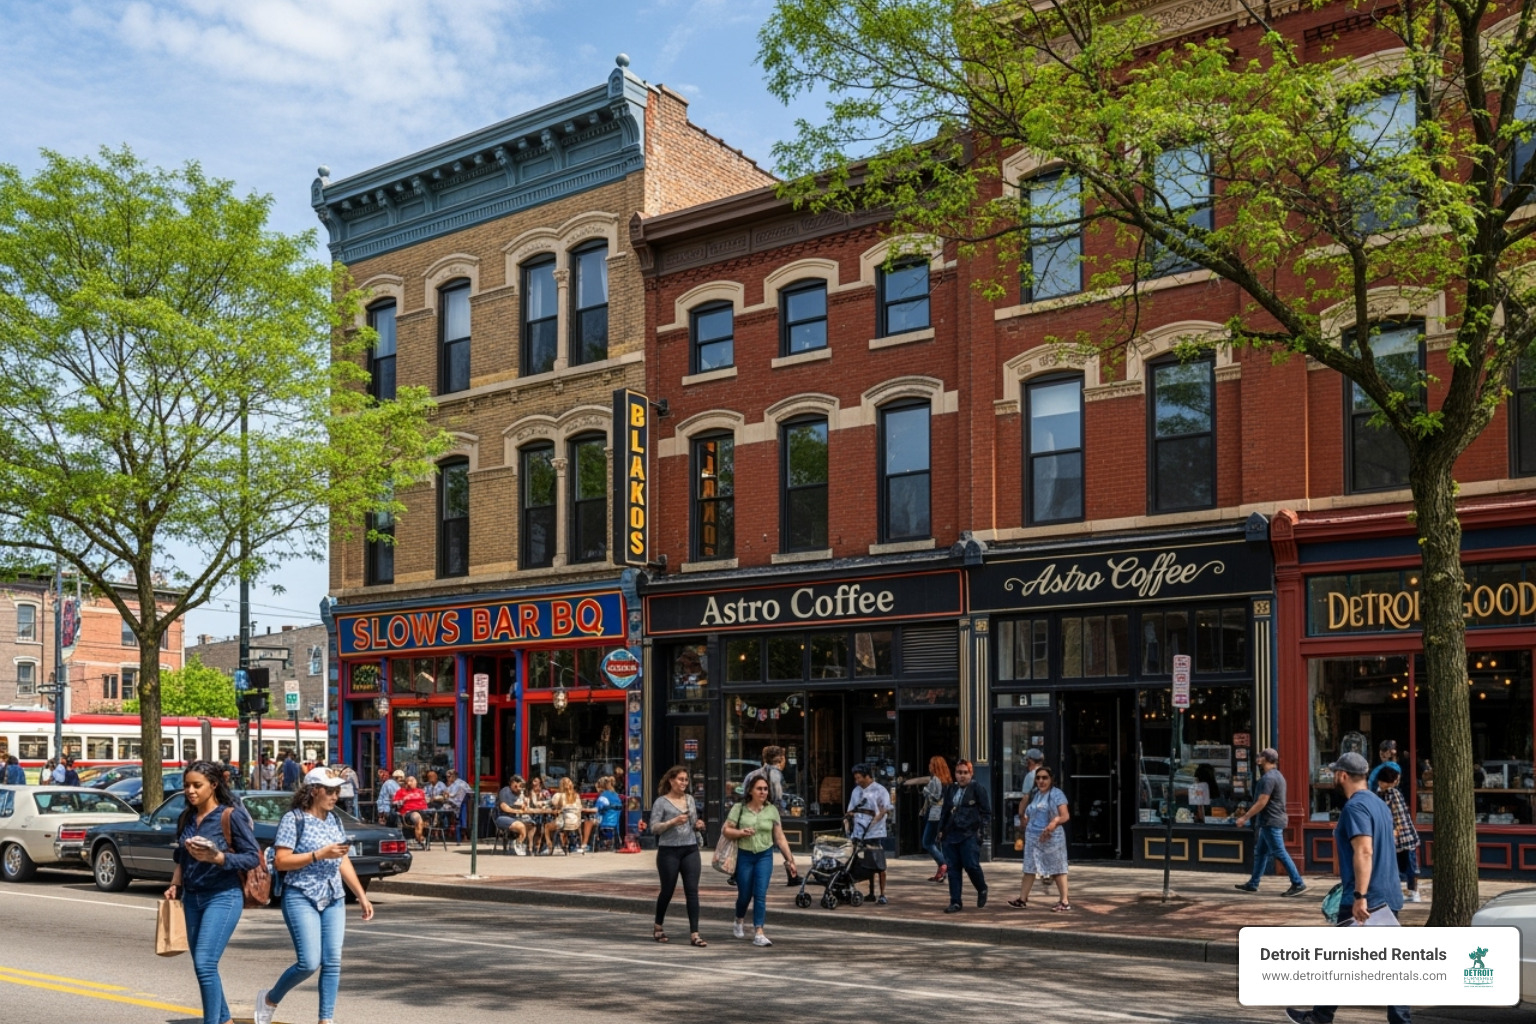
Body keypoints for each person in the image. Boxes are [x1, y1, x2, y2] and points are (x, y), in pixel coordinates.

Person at [1284, 751, 1410, 1024]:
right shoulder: (1379, 805)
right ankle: (1324, 1016)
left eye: (1334, 773)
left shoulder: (1355, 807)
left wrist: (1359, 896)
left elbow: (1364, 851)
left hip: (1368, 899)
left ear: (1342, 775)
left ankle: (1320, 1018)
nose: (1332, 777)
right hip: (1389, 895)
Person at [255, 767, 375, 1024]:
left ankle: (325, 1020)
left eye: (337, 790)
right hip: (301, 895)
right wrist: (319, 854)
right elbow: (282, 861)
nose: (335, 796)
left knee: (332, 962)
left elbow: (342, 859)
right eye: (329, 790)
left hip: (333, 896)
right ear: (313, 791)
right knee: (309, 962)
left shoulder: (335, 820)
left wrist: (361, 895)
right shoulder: (293, 819)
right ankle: (270, 998)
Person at [164, 760, 260, 1024]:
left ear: (214, 785)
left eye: (197, 785)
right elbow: (181, 856)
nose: (190, 791)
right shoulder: (187, 818)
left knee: (205, 963)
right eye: (187, 786)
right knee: (203, 966)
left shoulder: (230, 816)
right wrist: (176, 884)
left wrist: (219, 858)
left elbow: (252, 857)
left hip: (223, 895)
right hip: (192, 897)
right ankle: (225, 1019)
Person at [722, 774, 797, 946]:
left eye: (765, 789)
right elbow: (727, 831)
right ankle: (739, 919)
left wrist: (790, 860)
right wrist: (741, 833)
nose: (763, 792)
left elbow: (780, 838)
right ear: (750, 790)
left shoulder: (772, 810)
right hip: (744, 855)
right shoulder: (739, 808)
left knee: (760, 894)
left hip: (764, 855)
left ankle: (759, 932)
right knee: (745, 895)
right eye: (759, 789)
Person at [1234, 747, 1306, 896]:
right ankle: (1253, 883)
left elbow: (1262, 802)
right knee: (1260, 853)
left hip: (1271, 820)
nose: (1257, 758)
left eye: (1260, 756)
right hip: (1271, 820)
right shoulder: (1277, 775)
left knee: (1279, 851)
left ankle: (1298, 882)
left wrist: (1245, 817)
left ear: (1265, 759)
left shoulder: (1268, 778)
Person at [649, 765, 706, 946]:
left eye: (686, 780)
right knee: (668, 890)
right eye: (680, 779)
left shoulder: (689, 799)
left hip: (690, 849)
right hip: (669, 850)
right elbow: (654, 827)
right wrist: (673, 821)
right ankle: (658, 926)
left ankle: (695, 934)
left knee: (692, 891)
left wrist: (698, 825)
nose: (684, 783)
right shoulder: (661, 802)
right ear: (671, 781)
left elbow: (692, 823)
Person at [1010, 766, 1071, 911]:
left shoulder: (1057, 794)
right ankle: (1022, 899)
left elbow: (1065, 815)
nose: (1041, 781)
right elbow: (1028, 810)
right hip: (1033, 837)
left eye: (1045, 778)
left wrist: (1054, 823)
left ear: (1051, 780)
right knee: (1029, 868)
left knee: (1058, 869)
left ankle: (1064, 901)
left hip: (1052, 838)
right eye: (1038, 778)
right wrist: (1024, 817)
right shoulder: (1035, 794)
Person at [937, 759, 990, 913]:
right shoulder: (950, 790)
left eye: (965, 773)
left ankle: (982, 888)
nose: (962, 776)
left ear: (971, 774)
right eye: (959, 773)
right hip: (950, 834)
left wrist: (981, 832)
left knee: (971, 865)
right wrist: (941, 831)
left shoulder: (978, 789)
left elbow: (986, 813)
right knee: (953, 869)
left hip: (969, 834)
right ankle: (955, 901)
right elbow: (945, 811)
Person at [1375, 763, 1421, 903]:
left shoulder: (1392, 793)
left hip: (1402, 837)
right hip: (1395, 837)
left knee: (1408, 866)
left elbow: (1399, 816)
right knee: (1399, 866)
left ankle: (1413, 892)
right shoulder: (1382, 793)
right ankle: (1404, 892)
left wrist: (1396, 831)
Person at [846, 763, 892, 904]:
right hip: (859, 832)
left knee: (879, 864)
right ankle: (869, 892)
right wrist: (848, 823)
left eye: (859, 778)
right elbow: (850, 810)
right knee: (859, 863)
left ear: (867, 776)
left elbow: (885, 809)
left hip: (875, 832)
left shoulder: (880, 790)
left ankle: (882, 894)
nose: (857, 781)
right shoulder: (856, 791)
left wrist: (873, 822)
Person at [915, 756, 951, 882]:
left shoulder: (935, 780)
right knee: (936, 843)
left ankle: (943, 864)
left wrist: (925, 790)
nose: (929, 766)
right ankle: (941, 872)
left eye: (931, 764)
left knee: (927, 842)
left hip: (935, 814)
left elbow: (935, 797)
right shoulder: (946, 781)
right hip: (939, 814)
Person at [544, 777, 584, 854]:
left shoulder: (559, 795)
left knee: (547, 826)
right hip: (576, 823)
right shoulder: (576, 796)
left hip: (563, 823)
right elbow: (580, 808)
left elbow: (553, 805)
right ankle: (575, 846)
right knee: (562, 828)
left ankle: (550, 847)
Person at [742, 746, 787, 811]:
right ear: (781, 760)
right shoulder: (777, 776)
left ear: (764, 759)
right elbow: (778, 799)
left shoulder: (751, 775)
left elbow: (744, 795)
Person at [392, 775, 429, 848]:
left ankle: (419, 839)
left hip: (423, 811)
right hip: (409, 812)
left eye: (413, 781)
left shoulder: (420, 791)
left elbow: (426, 800)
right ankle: (420, 839)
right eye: (409, 781)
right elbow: (394, 803)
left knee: (429, 815)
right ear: (406, 783)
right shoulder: (401, 791)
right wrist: (402, 800)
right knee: (417, 817)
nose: (411, 783)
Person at [590, 775, 622, 851]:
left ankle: (586, 844)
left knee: (587, 822)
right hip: (615, 823)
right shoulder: (616, 796)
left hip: (604, 821)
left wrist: (583, 809)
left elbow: (596, 809)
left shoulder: (603, 797)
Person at [443, 769, 471, 840]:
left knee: (442, 809)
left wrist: (446, 796)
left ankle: (447, 831)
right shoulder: (453, 783)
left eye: (449, 776)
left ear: (454, 776)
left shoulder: (459, 784)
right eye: (447, 777)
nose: (447, 778)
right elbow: (447, 793)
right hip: (458, 804)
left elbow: (452, 796)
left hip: (460, 805)